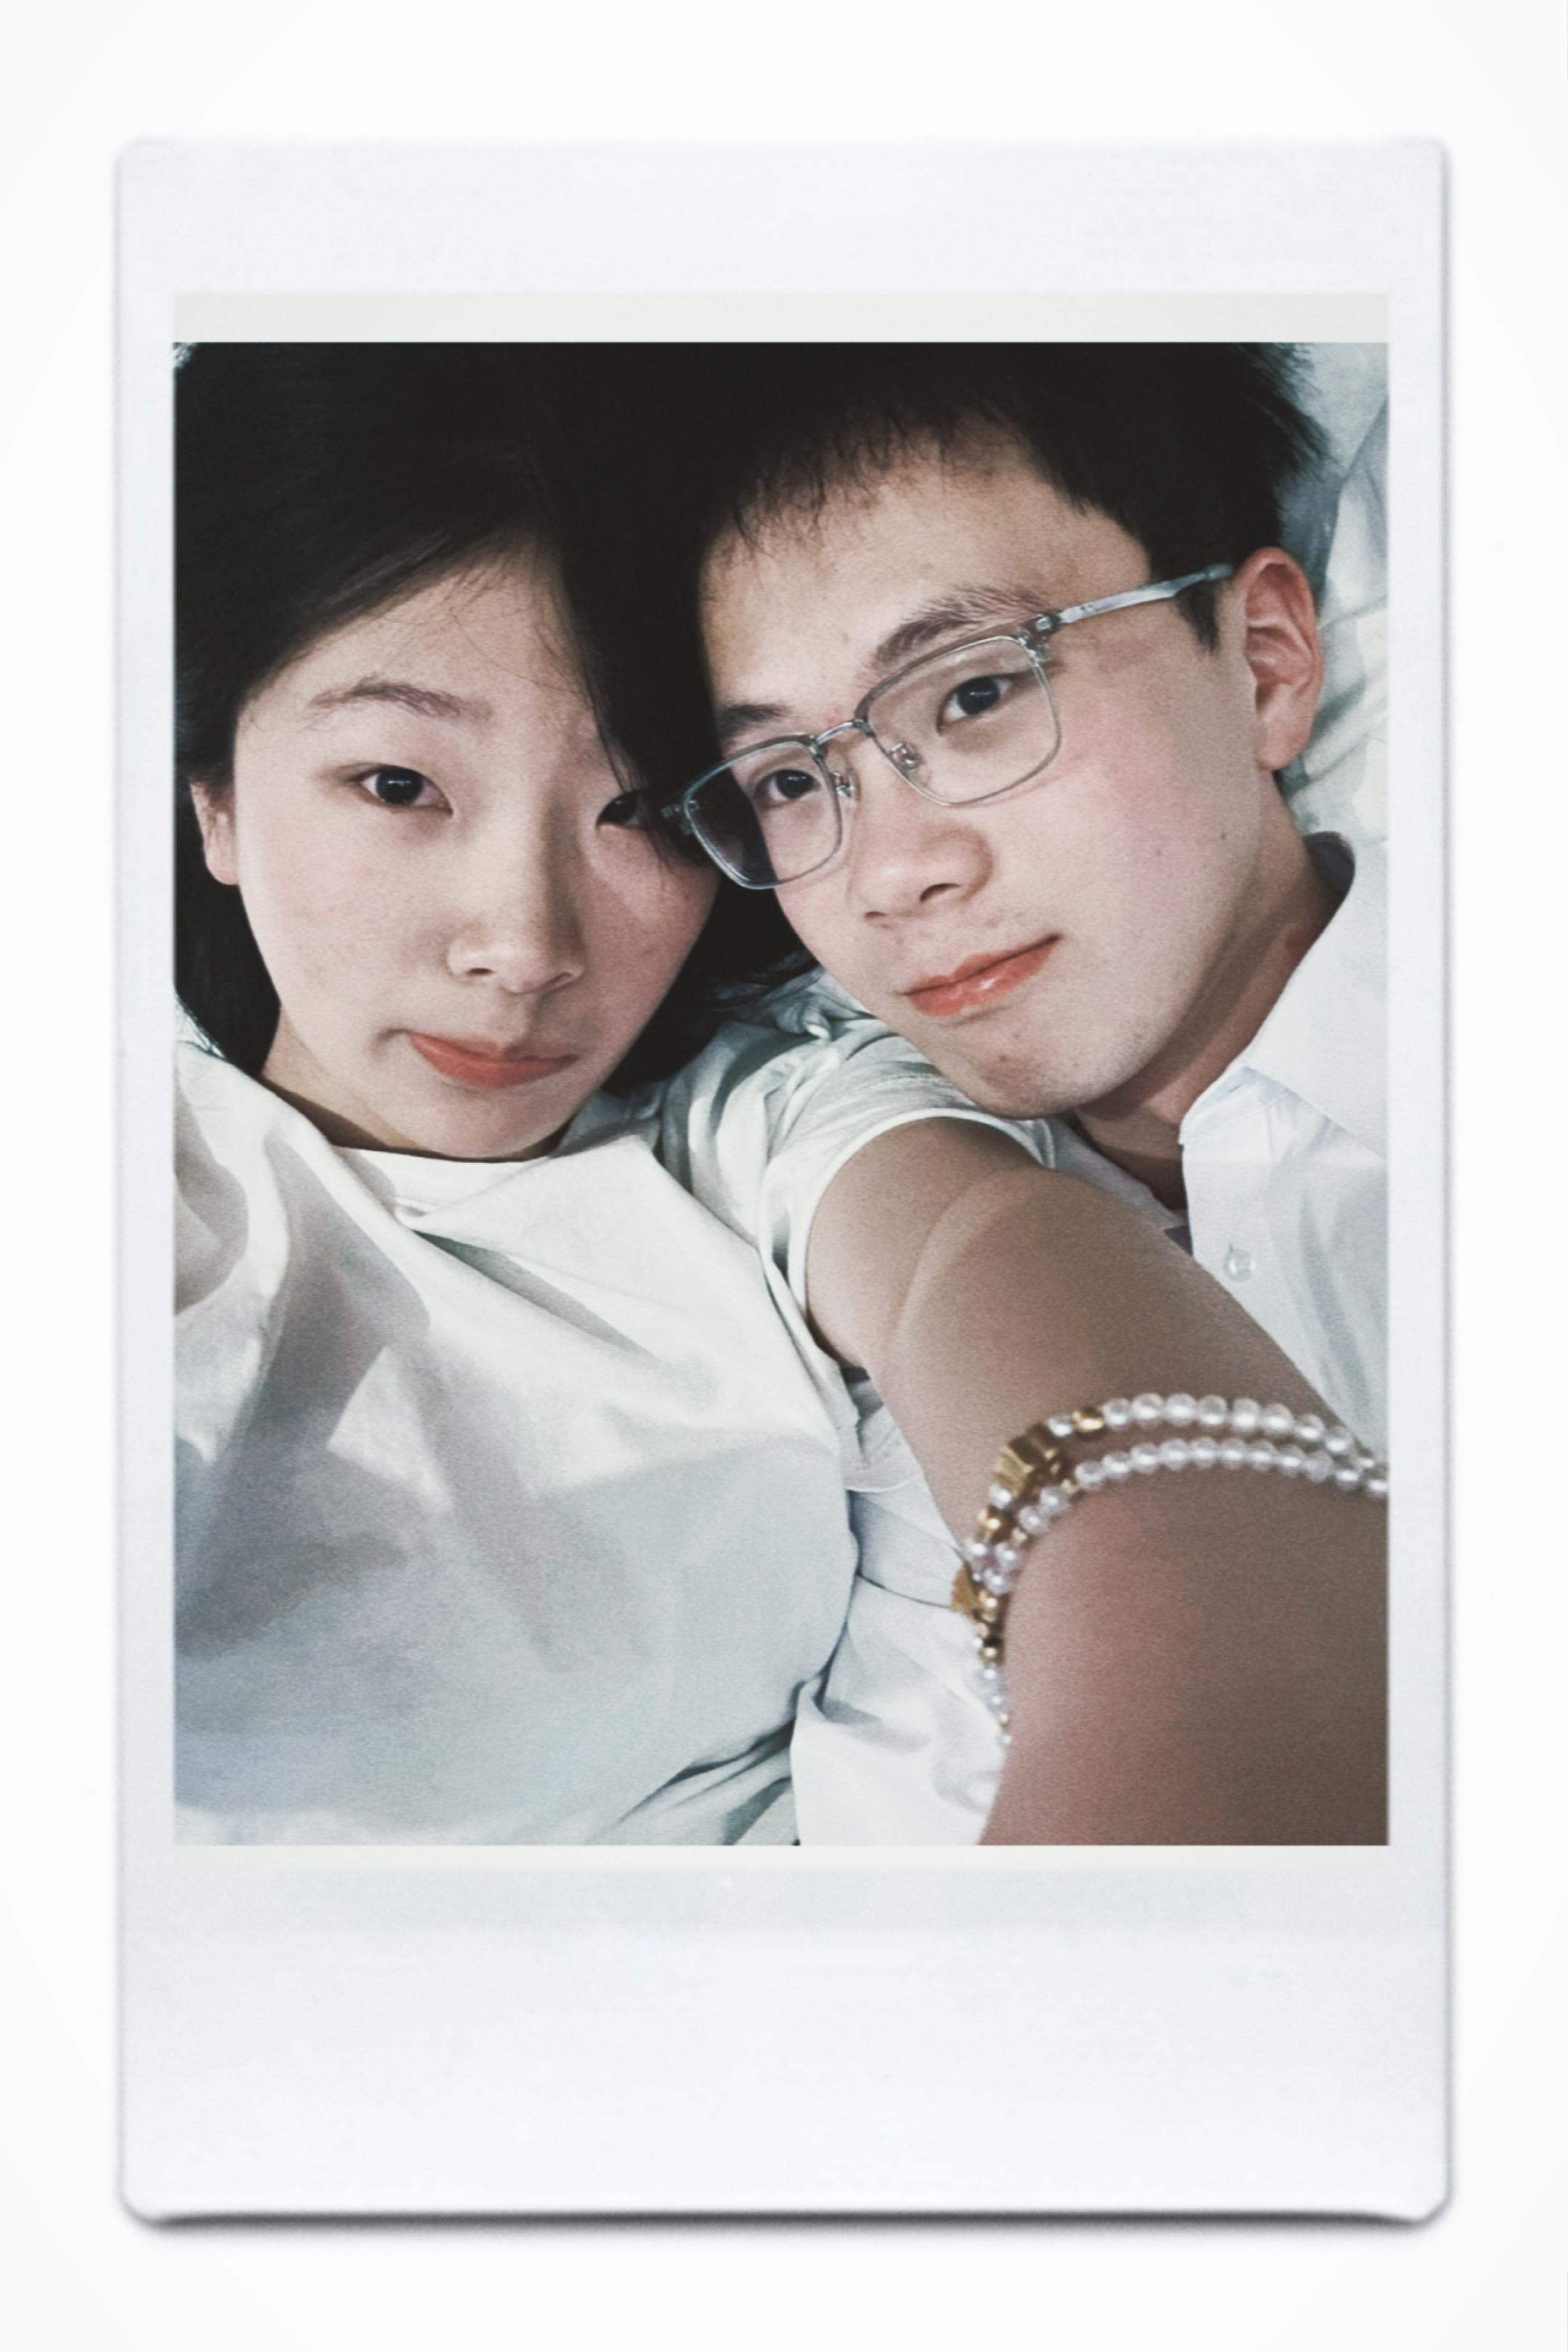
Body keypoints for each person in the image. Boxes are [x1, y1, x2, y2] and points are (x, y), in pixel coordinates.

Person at [174, 344, 1385, 1850]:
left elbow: (984, 1257)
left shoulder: (775, 1107)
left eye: (980, 693)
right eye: (397, 785)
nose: (525, 946)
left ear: (1267, 659)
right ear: (211, 796)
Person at [609, 344, 1386, 1458]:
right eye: (789, 781)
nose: (889, 874)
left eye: (976, 694)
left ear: (1264, 663)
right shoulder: (775, 1244)